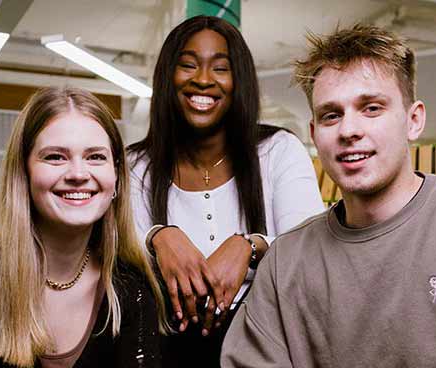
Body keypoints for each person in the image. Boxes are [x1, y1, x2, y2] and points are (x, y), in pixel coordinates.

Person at [221, 24, 436, 367]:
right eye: (331, 115)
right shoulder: (285, 262)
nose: (349, 130)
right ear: (314, 134)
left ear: (413, 120)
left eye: (372, 108)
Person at [127, 15, 325, 367]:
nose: (203, 80)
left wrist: (251, 245)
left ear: (240, 81)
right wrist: (158, 238)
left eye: (221, 68)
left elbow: (310, 246)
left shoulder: (278, 150)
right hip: (163, 349)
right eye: (187, 65)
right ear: (166, 77)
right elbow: (113, 250)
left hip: (265, 346)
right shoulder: (136, 165)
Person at [0, 87, 167, 367]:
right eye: (55, 157)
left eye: (95, 157)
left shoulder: (131, 284)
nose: (78, 174)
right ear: (24, 172)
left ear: (116, 175)